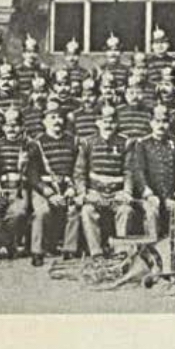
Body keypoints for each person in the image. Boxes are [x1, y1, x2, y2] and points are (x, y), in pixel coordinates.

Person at [75, 106, 137, 257]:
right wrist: (83, 192)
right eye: (104, 121)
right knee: (87, 211)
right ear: (97, 122)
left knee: (126, 211)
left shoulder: (126, 143)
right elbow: (79, 172)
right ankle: (96, 252)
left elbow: (129, 171)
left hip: (117, 193)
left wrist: (127, 192)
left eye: (112, 121)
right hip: (95, 192)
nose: (108, 125)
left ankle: (121, 251)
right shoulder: (88, 142)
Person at [27, 100, 81, 266]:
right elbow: (32, 173)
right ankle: (37, 252)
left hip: (68, 186)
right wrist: (48, 193)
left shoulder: (73, 141)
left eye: (59, 117)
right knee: (42, 212)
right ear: (44, 121)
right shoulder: (36, 143)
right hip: (45, 188)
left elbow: (78, 170)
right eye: (52, 117)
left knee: (75, 210)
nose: (57, 121)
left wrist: (73, 188)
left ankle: (69, 250)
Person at [134, 104, 175, 240]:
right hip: (149, 195)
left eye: (165, 121)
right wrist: (147, 191)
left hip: (170, 195)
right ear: (151, 123)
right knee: (152, 212)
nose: (161, 125)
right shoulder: (142, 144)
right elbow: (139, 171)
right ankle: (153, 246)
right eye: (157, 121)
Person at [0, 108, 32, 258]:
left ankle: (8, 243)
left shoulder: (29, 145)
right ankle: (7, 244)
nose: (11, 128)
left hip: (20, 188)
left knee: (18, 213)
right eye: (8, 125)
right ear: (3, 127)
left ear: (22, 127)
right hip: (0, 187)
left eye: (16, 124)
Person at [14, 34, 50, 101]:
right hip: (23, 101)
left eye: (34, 52)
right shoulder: (17, 70)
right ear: (23, 53)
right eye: (29, 52)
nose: (32, 55)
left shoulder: (42, 70)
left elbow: (47, 89)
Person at [99, 33, 130, 100]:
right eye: (109, 50)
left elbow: (128, 88)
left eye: (116, 50)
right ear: (105, 52)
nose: (113, 54)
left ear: (121, 52)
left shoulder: (126, 70)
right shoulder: (100, 69)